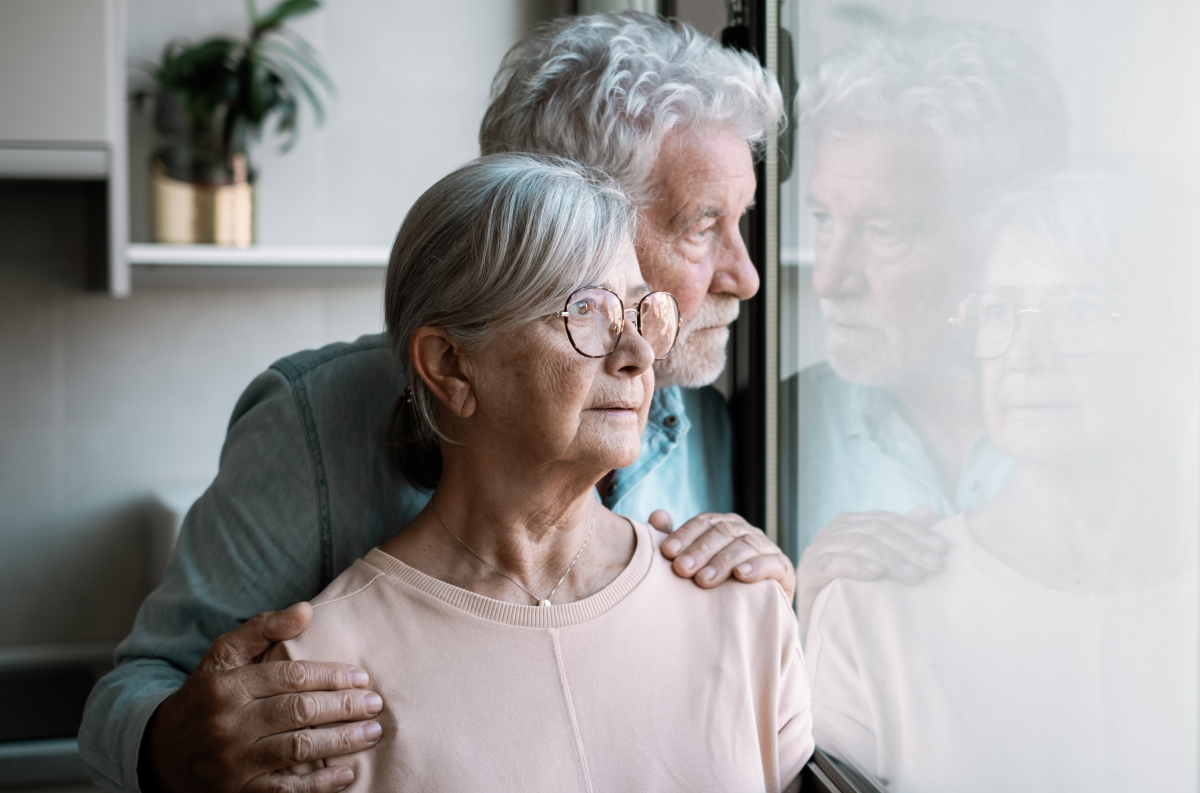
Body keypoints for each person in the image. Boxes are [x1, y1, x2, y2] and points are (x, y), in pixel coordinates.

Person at [79, 13, 797, 793]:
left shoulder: (711, 425)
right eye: (703, 227)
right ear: (555, 211)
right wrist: (170, 745)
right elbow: (139, 687)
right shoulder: (317, 424)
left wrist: (766, 592)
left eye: (744, 224)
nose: (745, 274)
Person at [264, 152, 813, 791]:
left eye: (641, 313)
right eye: (585, 311)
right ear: (449, 366)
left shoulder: (744, 610)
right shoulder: (323, 679)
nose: (638, 356)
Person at [804, 171, 1199, 791]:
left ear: (1171, 338)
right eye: (1001, 312)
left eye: (1079, 311)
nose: (1026, 352)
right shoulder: (873, 611)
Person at [788, 20, 1070, 629]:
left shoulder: (1099, 425)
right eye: (823, 219)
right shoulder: (780, 430)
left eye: (883, 230)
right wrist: (796, 628)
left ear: (997, 239)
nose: (830, 278)